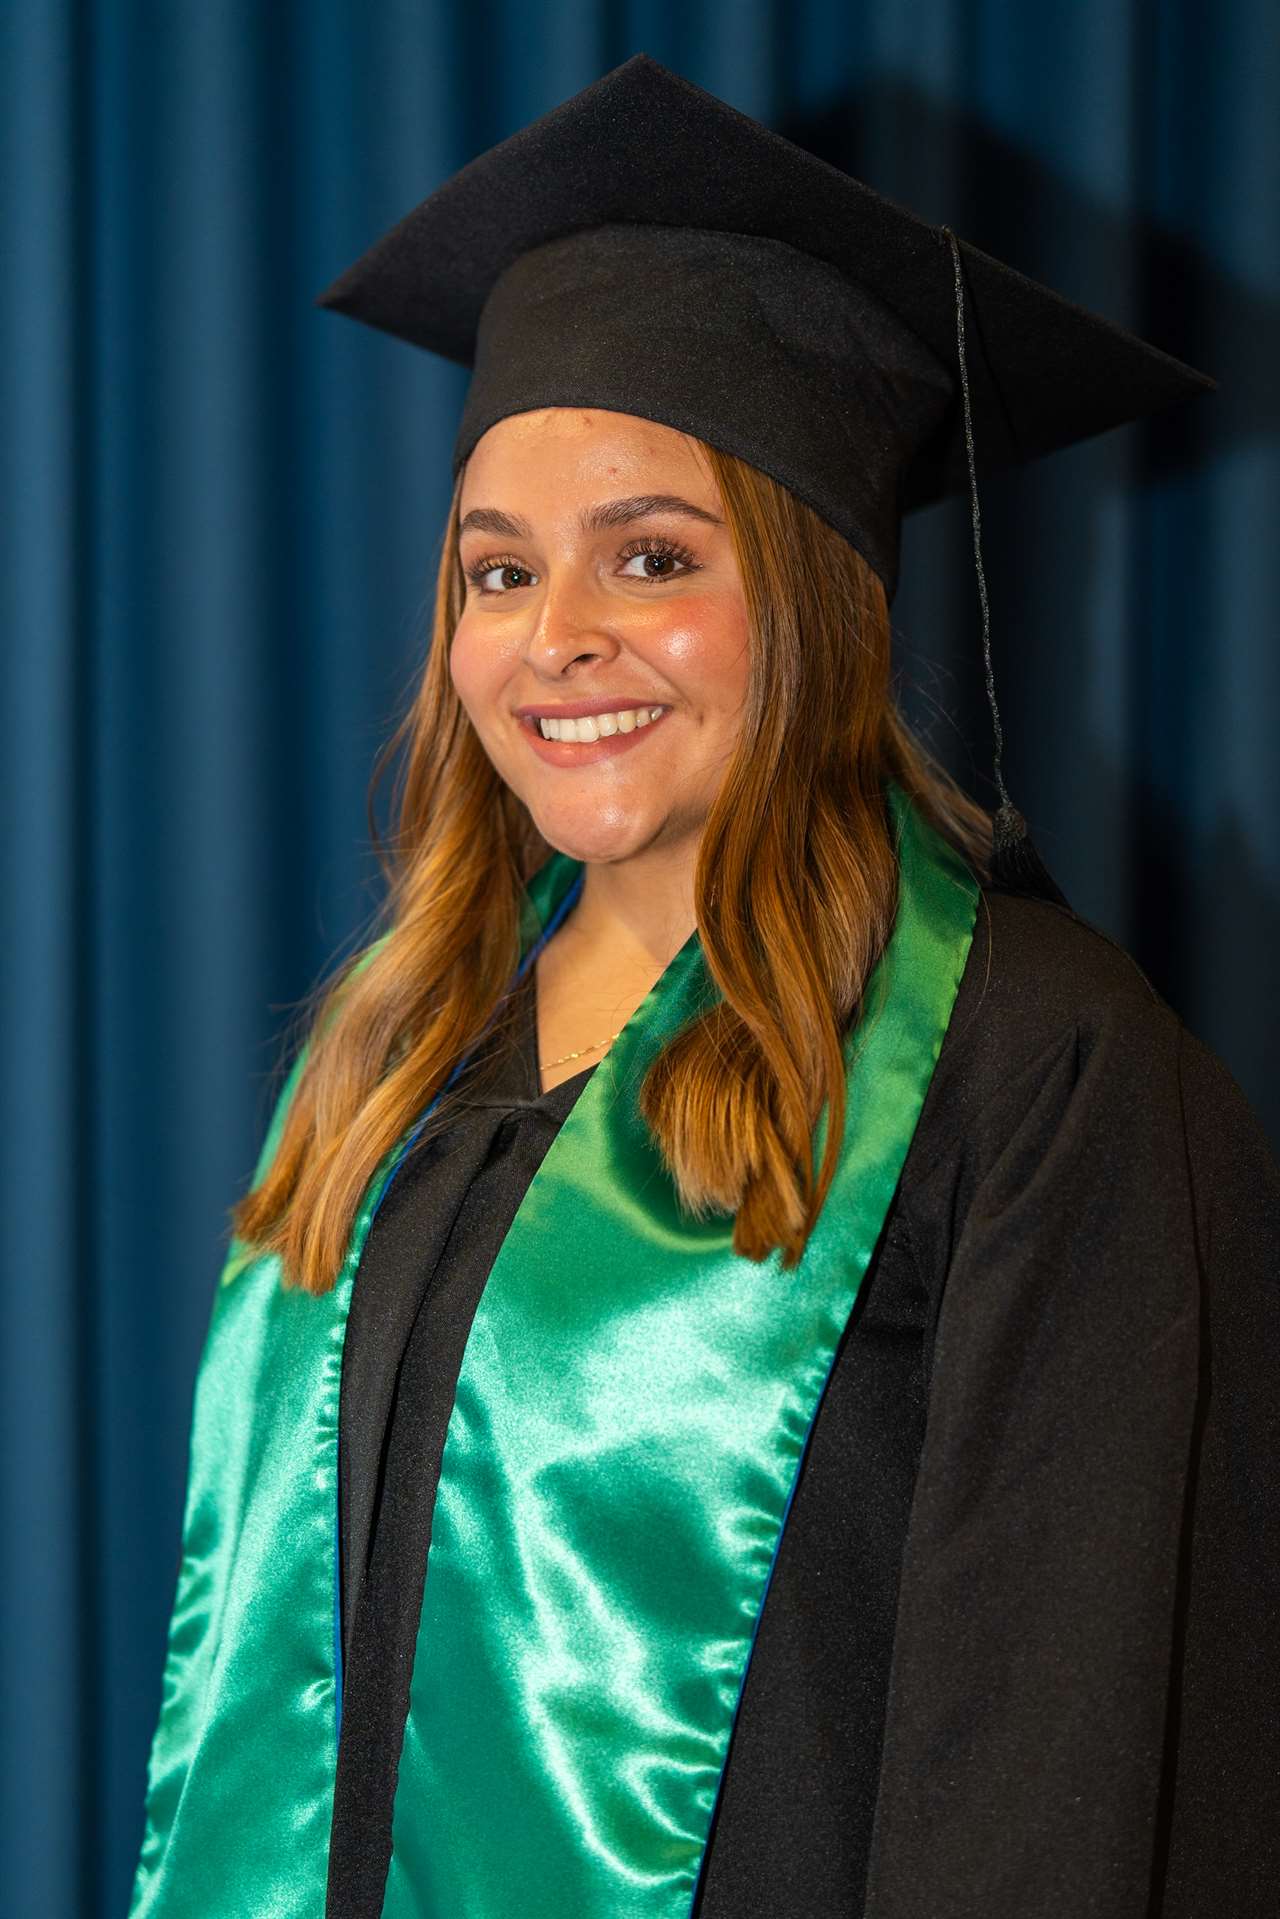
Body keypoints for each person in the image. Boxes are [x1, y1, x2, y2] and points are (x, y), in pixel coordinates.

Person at [128, 54, 1278, 1919]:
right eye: (498, 573)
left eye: (651, 557)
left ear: (819, 598)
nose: (557, 638)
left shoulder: (1040, 1074)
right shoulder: (400, 1057)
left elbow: (1060, 1795)